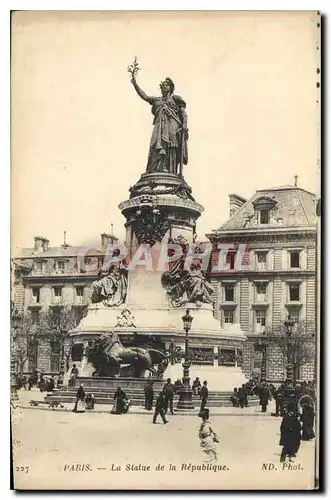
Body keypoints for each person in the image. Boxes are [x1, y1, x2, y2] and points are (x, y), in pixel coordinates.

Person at [131, 73, 188, 175]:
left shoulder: (176, 99)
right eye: (163, 85)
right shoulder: (157, 100)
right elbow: (145, 96)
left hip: (172, 124)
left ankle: (169, 170)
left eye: (167, 85)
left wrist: (184, 125)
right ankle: (154, 169)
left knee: (171, 146)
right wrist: (135, 84)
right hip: (159, 125)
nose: (164, 87)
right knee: (155, 144)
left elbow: (184, 114)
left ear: (171, 87)